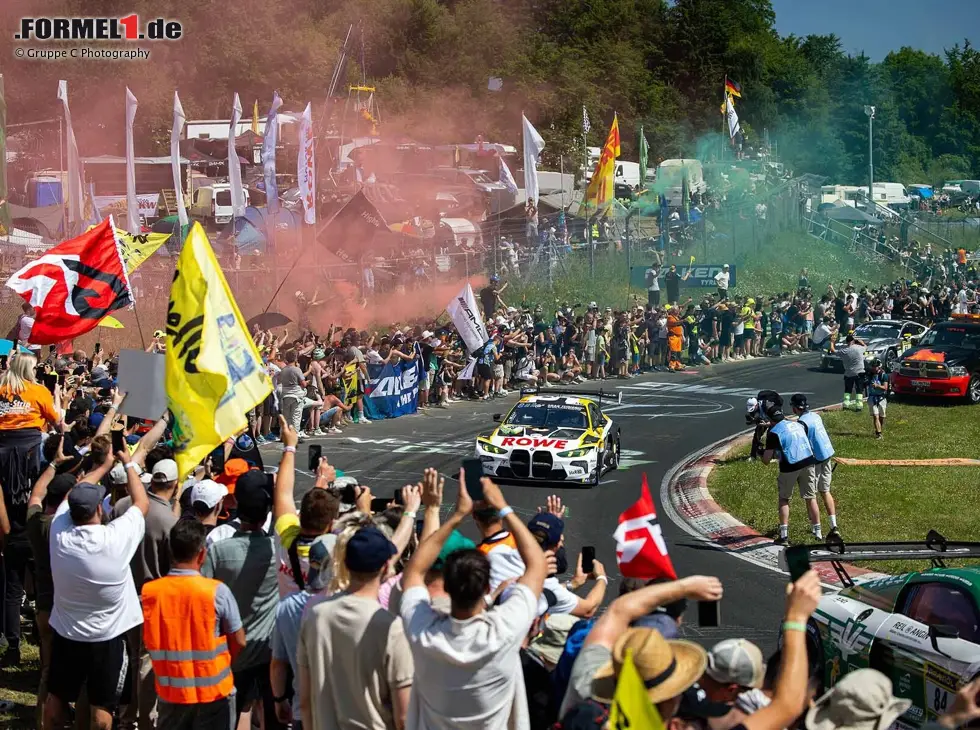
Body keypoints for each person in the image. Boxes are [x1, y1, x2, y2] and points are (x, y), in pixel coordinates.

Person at [400, 474, 547, 730]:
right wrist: (503, 507)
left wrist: (457, 515)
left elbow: (414, 571)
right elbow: (537, 564)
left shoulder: (423, 632)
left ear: (446, 587)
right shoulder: (504, 629)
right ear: (488, 587)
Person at [44, 449, 150, 730]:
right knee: (102, 710)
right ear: (99, 510)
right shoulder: (115, 538)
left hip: (66, 633)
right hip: (107, 638)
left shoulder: (59, 531)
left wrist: (102, 466)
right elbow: (141, 503)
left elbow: (70, 497)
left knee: (56, 700)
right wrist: (127, 463)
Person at [296, 526, 414, 730]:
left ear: (345, 564)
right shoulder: (392, 628)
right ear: (386, 567)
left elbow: (305, 700)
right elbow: (404, 717)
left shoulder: (316, 617)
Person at [142, 519, 246, 730]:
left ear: (170, 552)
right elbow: (239, 641)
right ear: (202, 554)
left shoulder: (150, 593)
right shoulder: (217, 592)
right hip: (214, 695)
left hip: (171, 696)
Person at [202, 471, 280, 730]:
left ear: (236, 502)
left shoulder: (218, 550)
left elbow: (206, 599)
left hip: (230, 652)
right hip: (268, 651)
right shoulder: (276, 551)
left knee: (233, 714)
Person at [0, 352, 63, 664]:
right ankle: (44, 637)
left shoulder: (0, 390)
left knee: (11, 581)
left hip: (3, 457)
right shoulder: (38, 391)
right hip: (30, 457)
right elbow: (58, 422)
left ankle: (11, 643)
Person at [113, 457, 182, 730]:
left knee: (130, 657)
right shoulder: (169, 521)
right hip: (151, 599)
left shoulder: (123, 505)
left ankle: (128, 713)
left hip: (122, 592)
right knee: (146, 662)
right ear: (175, 484)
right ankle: (143, 719)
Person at [270, 533, 333, 729]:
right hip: (341, 713)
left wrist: (279, 699)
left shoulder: (287, 606)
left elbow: (278, 664)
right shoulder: (349, 606)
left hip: (302, 710)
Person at [761, 405, 820, 545]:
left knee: (784, 499)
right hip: (808, 460)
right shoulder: (797, 424)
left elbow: (766, 460)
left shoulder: (773, 433)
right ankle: (818, 532)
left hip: (790, 465)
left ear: (770, 420)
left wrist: (760, 451)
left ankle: (784, 536)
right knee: (811, 497)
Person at [791, 394, 840, 538]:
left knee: (810, 495)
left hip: (815, 459)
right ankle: (834, 525)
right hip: (827, 454)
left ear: (794, 408)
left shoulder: (801, 423)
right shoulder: (815, 416)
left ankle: (816, 530)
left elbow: (801, 444)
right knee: (825, 491)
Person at [279, 350, 309, 440]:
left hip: (285, 394)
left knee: (286, 417)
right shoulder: (297, 370)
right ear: (295, 359)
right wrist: (307, 382)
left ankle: (283, 435)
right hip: (296, 394)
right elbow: (303, 384)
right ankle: (294, 436)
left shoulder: (283, 370)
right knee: (296, 416)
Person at [832, 334, 867, 411]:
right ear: (853, 341)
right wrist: (861, 342)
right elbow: (865, 347)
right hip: (860, 372)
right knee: (859, 389)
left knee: (848, 390)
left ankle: (846, 404)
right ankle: (859, 406)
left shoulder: (844, 351)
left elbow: (833, 350)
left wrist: (832, 342)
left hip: (849, 373)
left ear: (847, 342)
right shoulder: (859, 348)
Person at [865, 358, 889, 440]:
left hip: (881, 398)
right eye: (872, 366)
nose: (873, 368)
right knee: (876, 416)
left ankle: (878, 430)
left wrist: (877, 386)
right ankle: (879, 434)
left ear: (879, 366)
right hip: (872, 398)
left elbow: (885, 387)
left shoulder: (884, 375)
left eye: (875, 366)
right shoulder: (869, 374)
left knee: (881, 417)